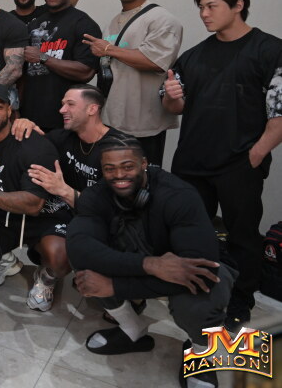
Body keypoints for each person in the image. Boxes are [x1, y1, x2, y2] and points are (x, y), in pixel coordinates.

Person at [67, 135, 234, 388]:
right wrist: (150, 265)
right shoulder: (96, 195)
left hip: (185, 269)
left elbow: (203, 270)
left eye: (127, 166)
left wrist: (116, 286)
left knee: (204, 292)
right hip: (147, 263)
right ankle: (132, 330)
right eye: (109, 169)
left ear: (144, 163)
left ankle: (201, 354)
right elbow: (79, 248)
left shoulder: (179, 196)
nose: (118, 175)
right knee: (88, 271)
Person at [162, 0, 282, 329]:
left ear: (238, 5)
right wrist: (171, 96)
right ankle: (195, 293)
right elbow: (174, 106)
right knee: (189, 232)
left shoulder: (269, 50)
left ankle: (240, 299)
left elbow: (279, 113)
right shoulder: (194, 56)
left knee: (242, 236)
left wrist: (256, 155)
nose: (204, 13)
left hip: (239, 164)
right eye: (201, 7)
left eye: (211, 6)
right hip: (192, 161)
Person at [0, 83, 70, 311]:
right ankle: (4, 257)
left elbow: (34, 205)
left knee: (60, 257)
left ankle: (46, 277)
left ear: (9, 110)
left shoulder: (34, 144)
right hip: (0, 219)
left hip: (42, 219)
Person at [81, 0, 183, 166]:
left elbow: (155, 61)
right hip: (112, 118)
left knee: (142, 179)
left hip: (144, 124)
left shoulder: (161, 19)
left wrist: (108, 49)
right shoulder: (114, 21)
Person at [21, 0, 101, 132]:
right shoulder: (34, 25)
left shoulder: (83, 24)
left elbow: (86, 72)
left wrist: (43, 57)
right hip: (30, 115)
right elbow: (23, 74)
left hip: (65, 117)